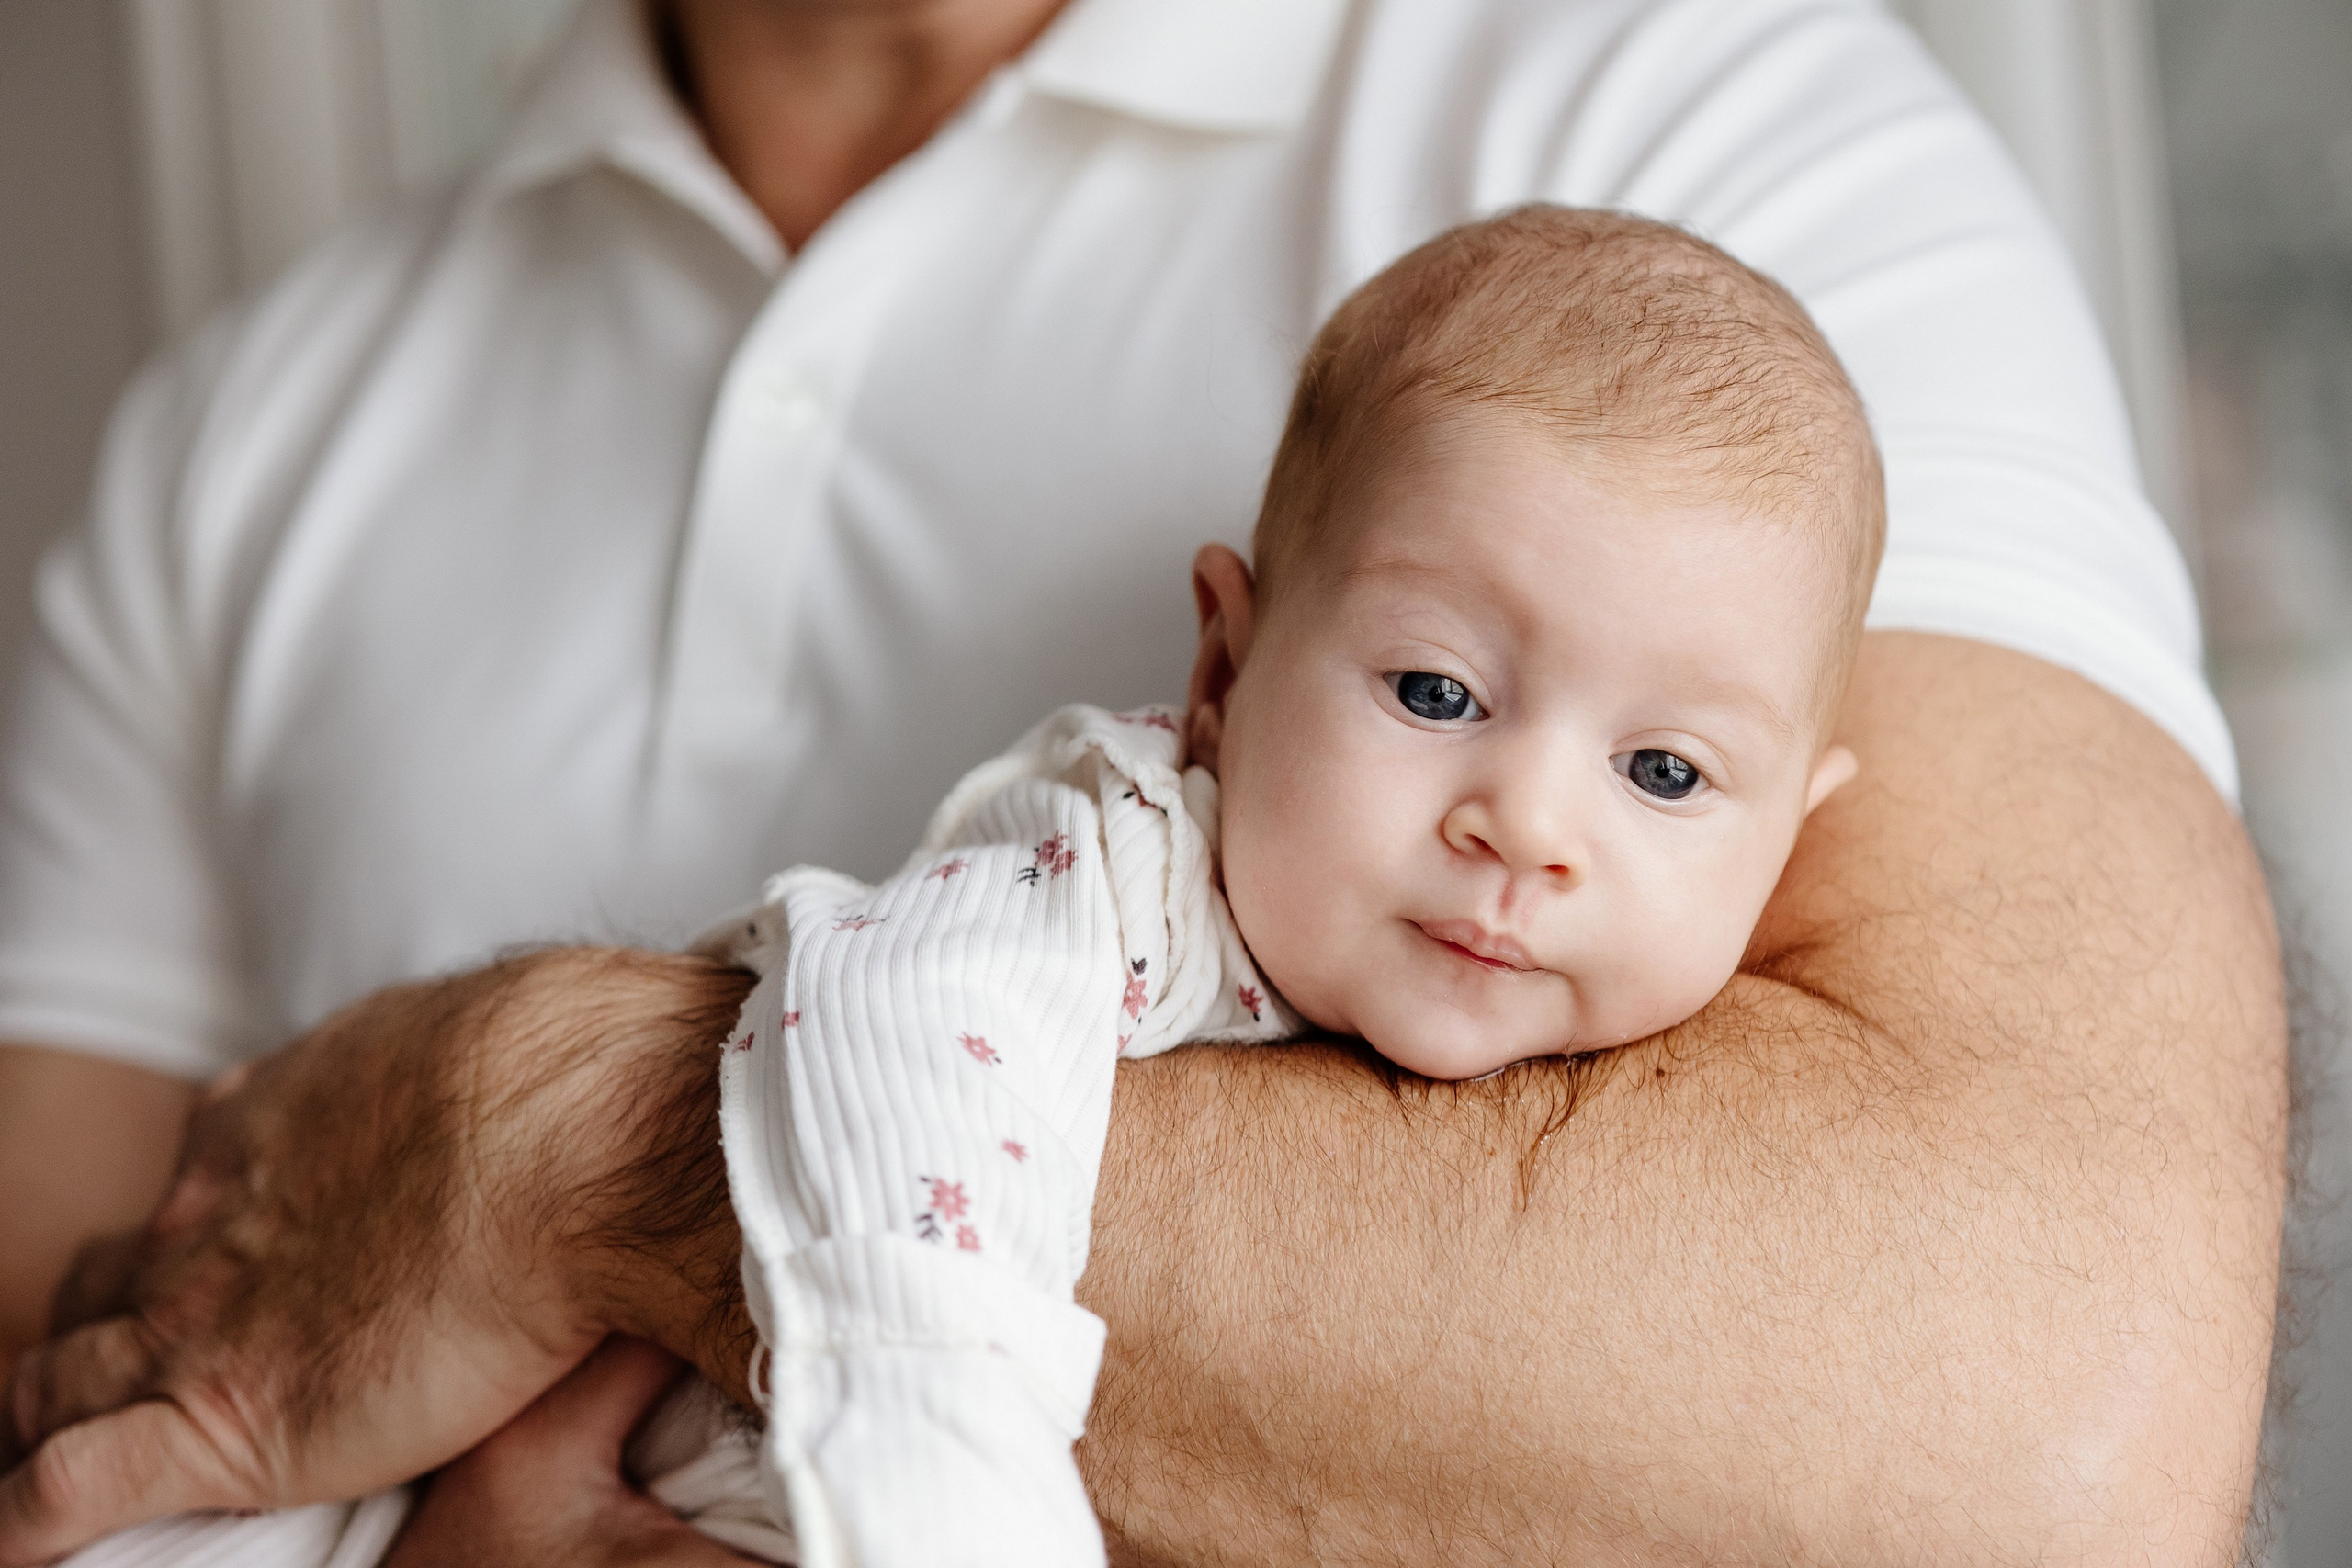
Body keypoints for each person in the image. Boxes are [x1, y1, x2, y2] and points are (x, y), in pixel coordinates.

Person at [0, 0, 2285, 1563]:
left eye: (1661, 763)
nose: (1517, 820)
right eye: (1426, 698)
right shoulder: (238, 440)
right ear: (1223, 649)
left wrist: (552, 1133)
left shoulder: (1709, 131)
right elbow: (63, 1417)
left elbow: (2040, 1436)